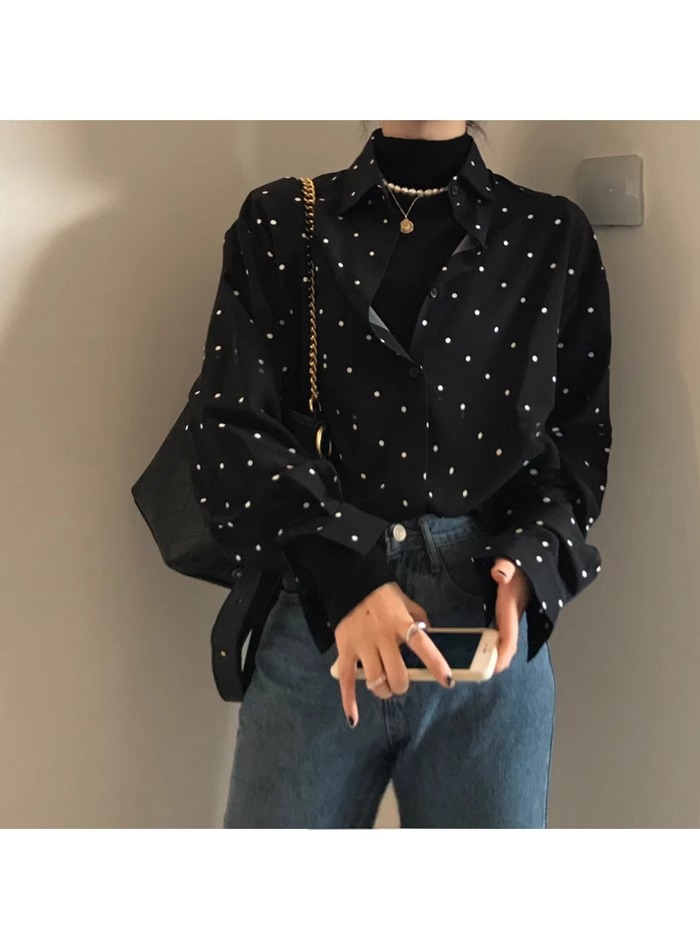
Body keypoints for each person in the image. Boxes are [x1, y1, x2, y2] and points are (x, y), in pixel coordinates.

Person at [186, 120, 612, 828]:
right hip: (319, 618)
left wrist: (531, 564)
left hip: (486, 630)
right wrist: (347, 575)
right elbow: (231, 428)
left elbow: (577, 442)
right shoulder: (281, 220)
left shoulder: (550, 234)